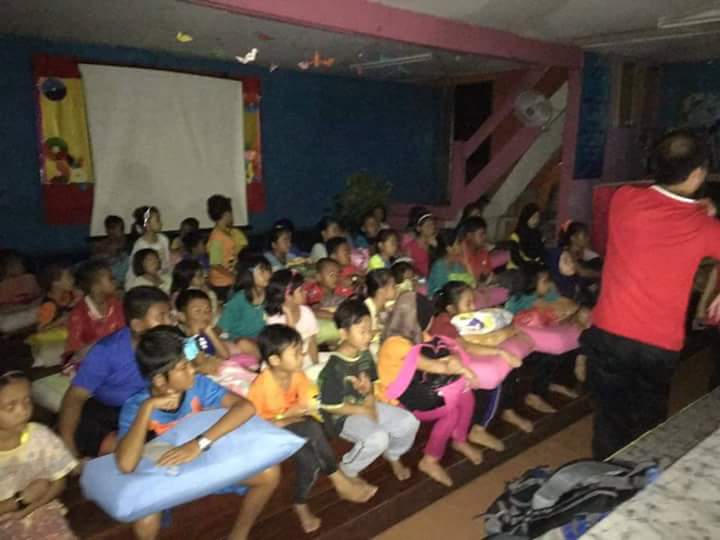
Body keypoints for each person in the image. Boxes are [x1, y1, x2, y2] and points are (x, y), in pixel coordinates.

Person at [583, 130, 720, 459]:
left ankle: (604, 478)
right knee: (648, 426)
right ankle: (639, 479)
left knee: (608, 420)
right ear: (698, 174)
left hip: (610, 332)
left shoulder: (624, 200)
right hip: (658, 345)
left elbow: (661, 205)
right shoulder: (705, 227)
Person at [115, 326, 279, 540]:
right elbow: (126, 465)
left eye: (190, 363)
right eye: (184, 367)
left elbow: (245, 407)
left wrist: (198, 444)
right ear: (160, 380)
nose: (193, 370)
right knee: (145, 519)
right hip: (168, 475)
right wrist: (147, 408)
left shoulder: (199, 385)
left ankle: (238, 535)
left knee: (270, 473)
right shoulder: (136, 406)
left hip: (203, 460)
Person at [248, 325, 376, 533]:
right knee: (309, 427)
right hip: (268, 434)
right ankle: (340, 481)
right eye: (296, 353)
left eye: (301, 350)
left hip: (293, 426)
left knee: (311, 461)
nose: (303, 356)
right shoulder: (260, 387)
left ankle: (299, 504)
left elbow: (303, 407)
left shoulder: (298, 376)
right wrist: (284, 419)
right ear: (275, 360)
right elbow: (255, 426)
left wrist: (286, 418)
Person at [376, 292, 482, 487]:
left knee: (466, 395)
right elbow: (434, 365)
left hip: (418, 385)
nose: (432, 321)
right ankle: (430, 460)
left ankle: (459, 439)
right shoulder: (396, 344)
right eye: (430, 316)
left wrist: (454, 361)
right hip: (399, 398)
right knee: (450, 410)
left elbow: (440, 353)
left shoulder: (414, 332)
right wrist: (464, 370)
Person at [58, 287, 171, 458]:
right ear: (137, 325)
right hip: (109, 412)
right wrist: (68, 446)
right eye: (161, 317)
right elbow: (75, 396)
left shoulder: (168, 343)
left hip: (148, 407)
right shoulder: (106, 351)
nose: (169, 322)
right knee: (89, 429)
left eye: (169, 315)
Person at [317, 298, 419, 482]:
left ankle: (393, 455)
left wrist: (369, 397)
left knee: (409, 422)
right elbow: (331, 407)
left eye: (370, 330)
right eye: (362, 331)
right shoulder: (334, 368)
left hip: (365, 405)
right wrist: (365, 410)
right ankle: (348, 470)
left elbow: (371, 384)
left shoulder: (364, 353)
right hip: (342, 417)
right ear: (343, 333)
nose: (369, 336)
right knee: (378, 438)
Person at [431, 281, 522, 449]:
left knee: (509, 371)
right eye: (468, 304)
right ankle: (479, 429)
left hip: (459, 361)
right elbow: (466, 346)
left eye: (473, 301)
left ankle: (507, 411)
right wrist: (501, 352)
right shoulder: (445, 324)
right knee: (495, 379)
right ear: (451, 308)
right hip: (446, 371)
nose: (473, 307)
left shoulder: (461, 320)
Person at [0, 370, 78, 540]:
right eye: (11, 407)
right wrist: (21, 500)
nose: (23, 411)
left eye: (27, 401)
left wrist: (26, 510)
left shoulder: (40, 436)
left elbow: (59, 482)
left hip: (39, 509)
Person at [176, 289, 257, 397]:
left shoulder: (207, 335)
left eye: (208, 311)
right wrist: (195, 334)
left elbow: (225, 355)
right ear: (182, 316)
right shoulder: (185, 343)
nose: (204, 315)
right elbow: (200, 363)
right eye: (197, 311)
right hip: (211, 380)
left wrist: (210, 331)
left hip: (225, 371)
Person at [65, 260, 124, 360]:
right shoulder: (79, 314)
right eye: (111, 279)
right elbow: (75, 349)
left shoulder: (116, 305)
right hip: (91, 361)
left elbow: (124, 333)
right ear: (95, 287)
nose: (115, 281)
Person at [265, 270, 319, 366]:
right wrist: (289, 315)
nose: (305, 292)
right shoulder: (275, 320)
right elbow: (290, 348)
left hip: (305, 358)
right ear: (287, 296)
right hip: (284, 365)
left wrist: (316, 364)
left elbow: (312, 343)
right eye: (301, 290)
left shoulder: (306, 312)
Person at [218, 255, 272, 341]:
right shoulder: (239, 299)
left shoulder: (271, 295)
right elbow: (221, 327)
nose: (267, 275)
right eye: (262, 271)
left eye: (268, 270)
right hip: (238, 342)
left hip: (261, 341)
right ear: (249, 274)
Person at [206, 195, 248, 303]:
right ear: (226, 214)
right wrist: (232, 276)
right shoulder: (217, 236)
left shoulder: (227, 233)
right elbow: (215, 263)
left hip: (228, 280)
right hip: (222, 284)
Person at [126, 206, 172, 287]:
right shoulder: (140, 245)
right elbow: (137, 270)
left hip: (162, 277)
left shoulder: (163, 239)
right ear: (147, 224)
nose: (161, 223)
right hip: (145, 281)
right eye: (157, 220)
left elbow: (167, 262)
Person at [427, 228, 475, 296]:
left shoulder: (456, 265)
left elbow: (472, 284)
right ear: (449, 249)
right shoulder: (439, 267)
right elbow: (442, 294)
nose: (462, 245)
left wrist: (467, 264)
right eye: (458, 243)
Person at [36, 264, 78, 330]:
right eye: (68, 278)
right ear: (55, 283)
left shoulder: (71, 294)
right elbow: (40, 329)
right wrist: (59, 322)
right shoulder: (49, 306)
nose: (73, 279)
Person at [507, 203, 546, 274]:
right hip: (517, 269)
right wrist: (530, 266)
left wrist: (540, 264)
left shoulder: (538, 234)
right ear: (526, 217)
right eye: (533, 217)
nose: (536, 220)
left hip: (534, 267)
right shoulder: (516, 236)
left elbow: (542, 253)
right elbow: (516, 258)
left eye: (537, 217)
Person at [364, 269, 397, 347]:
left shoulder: (388, 305)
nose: (396, 289)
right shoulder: (366, 310)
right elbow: (365, 336)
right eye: (393, 286)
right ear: (381, 291)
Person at [93, 215, 129, 286]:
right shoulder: (102, 244)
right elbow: (95, 258)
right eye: (111, 228)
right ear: (107, 230)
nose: (113, 231)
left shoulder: (126, 243)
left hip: (118, 273)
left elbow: (124, 258)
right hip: (104, 268)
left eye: (116, 228)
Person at [402, 210, 437, 278]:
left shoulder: (436, 243)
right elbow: (408, 268)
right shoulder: (411, 247)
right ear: (418, 228)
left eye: (432, 224)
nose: (431, 228)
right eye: (427, 226)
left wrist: (436, 247)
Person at [458, 217, 494, 284]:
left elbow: (488, 273)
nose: (485, 237)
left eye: (485, 234)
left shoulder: (482, 251)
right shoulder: (459, 252)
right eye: (481, 234)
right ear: (469, 236)